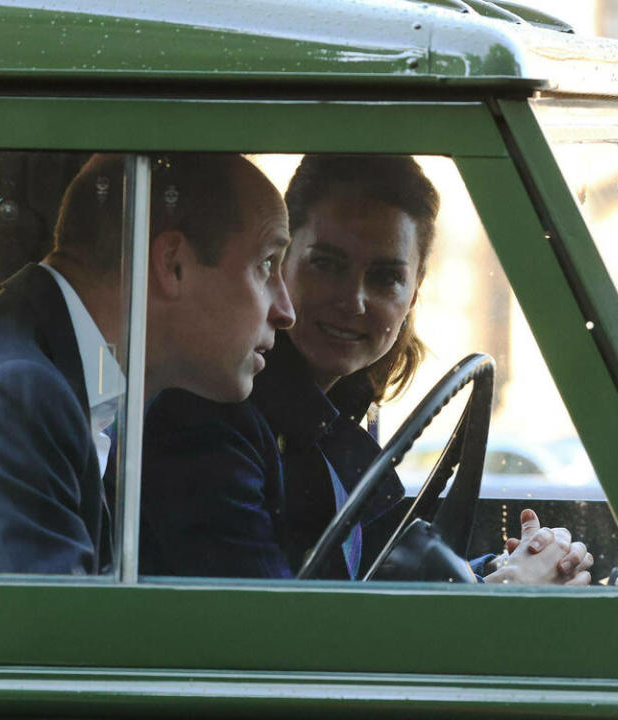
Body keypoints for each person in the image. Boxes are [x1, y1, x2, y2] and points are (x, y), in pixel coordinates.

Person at [141, 154, 592, 584]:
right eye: (326, 264)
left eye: (384, 277)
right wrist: (500, 595)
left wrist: (503, 567)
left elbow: (372, 574)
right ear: (279, 263)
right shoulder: (212, 422)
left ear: (413, 294)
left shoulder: (343, 410)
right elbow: (274, 634)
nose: (353, 300)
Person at [0, 152, 294, 574]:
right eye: (266, 265)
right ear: (172, 264)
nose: (285, 311)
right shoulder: (13, 397)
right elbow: (45, 640)